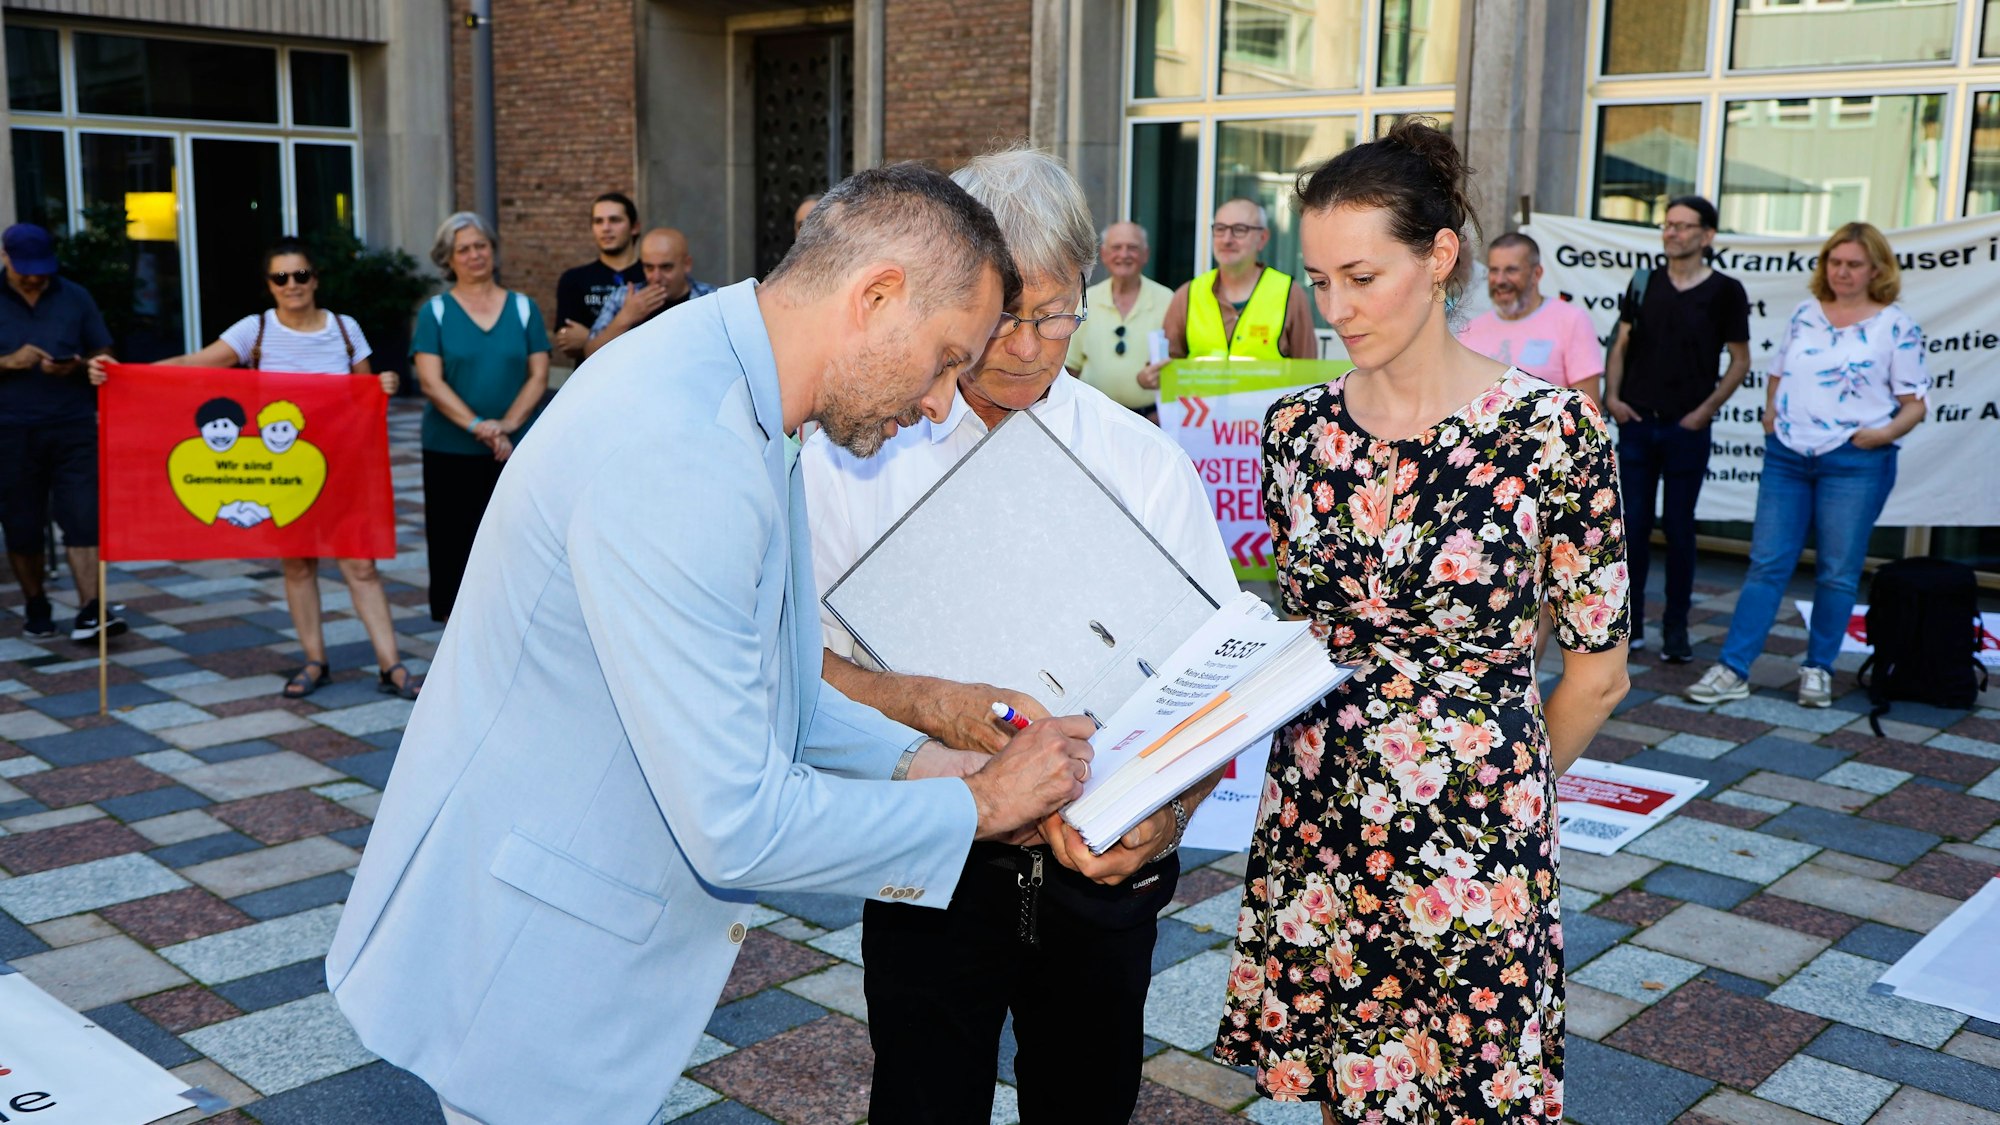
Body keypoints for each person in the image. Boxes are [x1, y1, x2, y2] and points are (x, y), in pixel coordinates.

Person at [327, 162, 1095, 1125]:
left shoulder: (730, 382)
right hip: (530, 961)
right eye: (947, 358)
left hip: (554, 926)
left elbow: (775, 685)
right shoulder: (686, 444)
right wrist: (977, 806)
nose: (945, 401)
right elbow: (736, 818)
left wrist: (926, 761)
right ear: (877, 296)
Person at [804, 149, 1238, 1125]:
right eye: (1004, 316)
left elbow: (1216, 683)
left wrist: (1161, 826)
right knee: (920, 1102)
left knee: (1083, 1102)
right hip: (927, 851)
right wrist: (927, 709)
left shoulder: (1143, 463)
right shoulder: (858, 450)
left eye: (1057, 313)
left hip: (1101, 866)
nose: (1030, 347)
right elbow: (794, 669)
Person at [1213, 120, 1630, 1122]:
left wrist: (1492, 781)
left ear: (1438, 258)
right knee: (1344, 1089)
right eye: (1318, 280)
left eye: (1361, 276)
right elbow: (1303, 626)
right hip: (1316, 825)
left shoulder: (1552, 432)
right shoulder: (1293, 432)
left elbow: (1597, 673)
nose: (1337, 307)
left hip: (1473, 838)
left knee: (1470, 1095)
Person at [87, 238, 417, 699]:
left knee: (360, 565)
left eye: (301, 275)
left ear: (315, 279)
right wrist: (122, 376)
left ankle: (392, 665)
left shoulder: (345, 329)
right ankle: (314, 660)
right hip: (282, 472)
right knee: (298, 563)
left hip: (343, 467)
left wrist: (385, 383)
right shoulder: (255, 330)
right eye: (281, 277)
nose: (292, 285)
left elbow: (365, 397)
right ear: (269, 285)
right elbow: (192, 365)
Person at [1687, 222, 1926, 709]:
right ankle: (1733, 668)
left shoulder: (1894, 325)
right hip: (1788, 456)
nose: (1842, 271)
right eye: (1835, 262)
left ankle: (1817, 667)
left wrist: (1878, 435)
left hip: (1854, 461)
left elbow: (1915, 403)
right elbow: (1778, 373)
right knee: (1766, 565)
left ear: (1876, 269)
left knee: (1837, 572)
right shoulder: (1804, 313)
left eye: (1854, 263)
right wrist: (1772, 413)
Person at [1603, 195, 1750, 661]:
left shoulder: (1726, 291)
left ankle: (1675, 629)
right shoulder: (1644, 281)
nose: (1673, 233)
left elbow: (1740, 361)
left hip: (1688, 429)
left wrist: (1704, 411)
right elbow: (1621, 341)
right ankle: (1633, 625)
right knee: (1635, 526)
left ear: (1707, 236)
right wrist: (1613, 398)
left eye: (1685, 226)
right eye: (1668, 224)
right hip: (1639, 425)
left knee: (1681, 530)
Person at [413, 212, 551, 623]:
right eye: (464, 250)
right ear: (448, 259)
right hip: (449, 449)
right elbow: (431, 382)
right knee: (455, 543)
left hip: (515, 449)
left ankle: (514, 624)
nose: (475, 256)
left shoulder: (524, 309)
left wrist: (507, 425)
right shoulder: (434, 313)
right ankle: (459, 631)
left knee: (518, 540)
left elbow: (539, 374)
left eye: (481, 246)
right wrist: (479, 426)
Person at [0, 222, 120, 641]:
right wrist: (7, 362)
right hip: (9, 431)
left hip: (72, 424)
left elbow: (104, 350)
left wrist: (78, 365)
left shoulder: (74, 296)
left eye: (42, 269)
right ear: (5, 258)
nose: (35, 277)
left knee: (84, 518)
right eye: (25, 269)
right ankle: (36, 605)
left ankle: (91, 610)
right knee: (22, 524)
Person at [1147, 197, 1317, 396]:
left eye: (1239, 229)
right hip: (1200, 423)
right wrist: (1148, 376)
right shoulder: (1188, 293)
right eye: (1220, 229)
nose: (1227, 239)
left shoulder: (1290, 294)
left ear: (1262, 238)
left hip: (1264, 423)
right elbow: (1166, 365)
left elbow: (1307, 374)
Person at [1457, 232, 1604, 403]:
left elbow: (1588, 410)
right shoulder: (1471, 329)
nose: (1500, 280)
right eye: (1494, 270)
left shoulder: (1572, 320)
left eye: (1511, 270)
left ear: (1536, 274)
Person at [1067, 220, 1173, 418]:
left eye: (1132, 248)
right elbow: (1070, 367)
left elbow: (1178, 362)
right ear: (1105, 255)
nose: (1124, 255)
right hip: (1094, 418)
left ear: (1145, 255)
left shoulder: (1167, 299)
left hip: (1150, 420)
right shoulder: (1086, 300)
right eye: (1116, 247)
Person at [582, 228, 714, 358]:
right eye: (649, 267)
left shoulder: (711, 300)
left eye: (666, 267)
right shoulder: (624, 297)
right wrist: (625, 318)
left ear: (687, 264)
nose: (656, 277)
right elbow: (590, 354)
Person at [551, 191, 643, 362]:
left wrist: (589, 339)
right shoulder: (574, 279)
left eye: (615, 220)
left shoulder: (651, 275)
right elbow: (568, 343)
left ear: (634, 227)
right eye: (598, 221)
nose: (606, 228)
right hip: (591, 380)